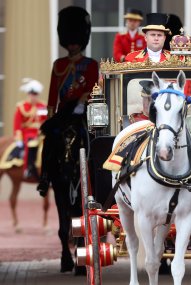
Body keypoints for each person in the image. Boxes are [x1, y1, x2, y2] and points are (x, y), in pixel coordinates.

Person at [36, 6, 99, 275]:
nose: (72, 43)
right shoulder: (58, 65)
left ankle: (95, 175)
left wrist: (82, 102)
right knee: (50, 140)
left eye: (76, 38)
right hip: (63, 114)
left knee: (91, 141)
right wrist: (52, 116)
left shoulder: (91, 65)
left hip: (82, 114)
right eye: (69, 38)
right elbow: (52, 94)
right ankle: (45, 175)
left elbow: (92, 86)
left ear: (82, 38)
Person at [13, 79, 47, 179]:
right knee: (32, 143)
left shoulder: (43, 106)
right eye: (32, 94)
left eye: (35, 94)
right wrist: (18, 138)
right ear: (28, 94)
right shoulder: (21, 106)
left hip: (41, 132)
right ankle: (28, 168)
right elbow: (17, 124)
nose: (33, 96)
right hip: (28, 133)